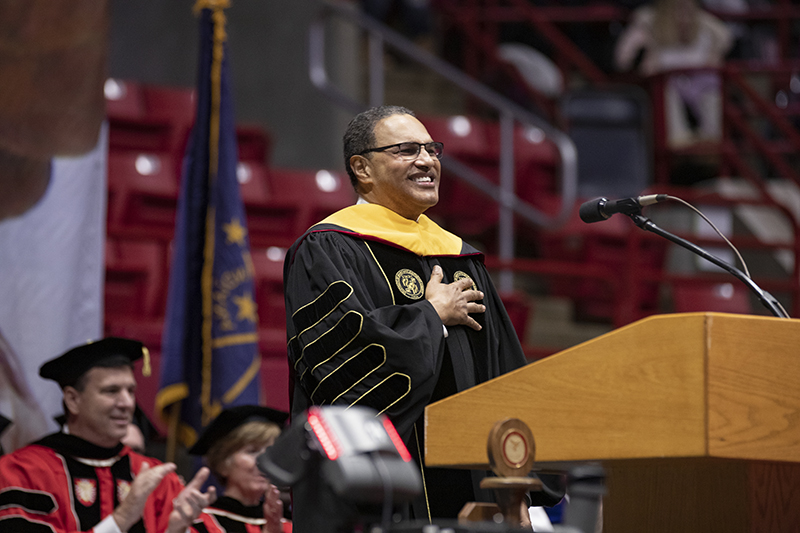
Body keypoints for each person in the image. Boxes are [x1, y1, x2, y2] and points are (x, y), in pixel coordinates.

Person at [283, 105, 563, 531]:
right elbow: (340, 370)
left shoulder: (460, 257)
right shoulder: (327, 250)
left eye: (432, 149)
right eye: (406, 150)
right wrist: (430, 316)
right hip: (372, 487)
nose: (427, 160)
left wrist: (518, 485)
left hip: (475, 495)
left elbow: (500, 375)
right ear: (362, 167)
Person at [0, 337, 217, 533]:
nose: (127, 403)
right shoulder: (23, 474)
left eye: (131, 391)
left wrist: (176, 531)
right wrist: (122, 518)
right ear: (73, 400)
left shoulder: (157, 479)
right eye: (111, 391)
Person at [614, 0, 733, 148]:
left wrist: (714, 54)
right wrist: (644, 59)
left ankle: (713, 139)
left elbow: (725, 37)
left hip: (699, 84)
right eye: (678, 10)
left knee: (713, 94)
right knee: (666, 94)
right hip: (668, 86)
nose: (684, 17)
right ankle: (678, 139)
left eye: (688, 11)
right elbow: (622, 60)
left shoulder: (704, 25)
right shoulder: (650, 23)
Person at [188, 405, 289, 533]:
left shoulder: (290, 524)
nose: (263, 462)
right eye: (252, 451)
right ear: (222, 464)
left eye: (270, 452)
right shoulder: (200, 523)